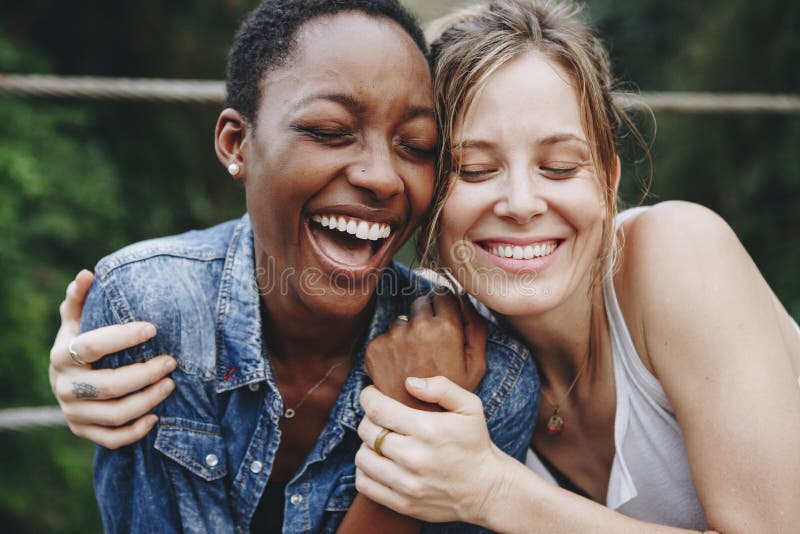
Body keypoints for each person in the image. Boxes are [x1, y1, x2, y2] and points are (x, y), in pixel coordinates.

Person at [47, 1, 539, 532]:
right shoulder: (152, 314)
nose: (382, 177)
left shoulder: (488, 382)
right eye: (330, 131)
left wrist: (422, 425)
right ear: (237, 144)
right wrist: (408, 445)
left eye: (415, 146)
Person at [351, 1, 800, 532]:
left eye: (559, 167)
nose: (521, 203)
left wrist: (495, 492)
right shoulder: (444, 339)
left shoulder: (680, 251)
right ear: (428, 198)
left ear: (608, 181)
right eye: (474, 170)